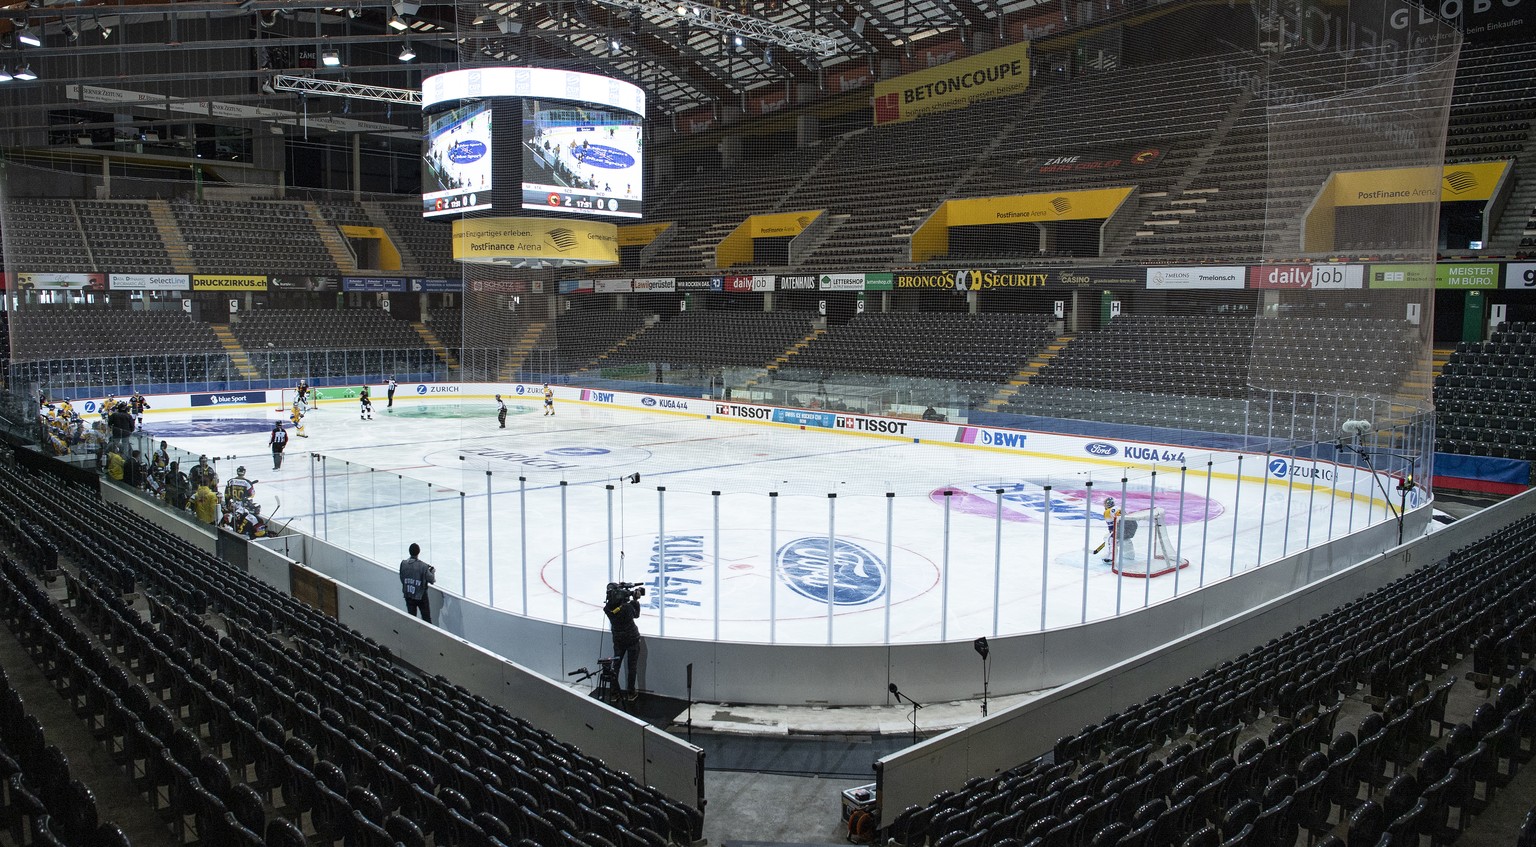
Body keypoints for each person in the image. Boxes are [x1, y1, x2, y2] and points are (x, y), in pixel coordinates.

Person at [603, 582, 644, 701]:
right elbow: (636, 615)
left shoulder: (607, 609)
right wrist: (635, 600)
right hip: (632, 639)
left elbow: (615, 607)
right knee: (632, 667)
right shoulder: (627, 607)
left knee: (616, 666)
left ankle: (614, 693)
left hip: (618, 640)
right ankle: (631, 692)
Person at [399, 543, 436, 623]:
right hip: (421, 596)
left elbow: (402, 578)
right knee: (426, 619)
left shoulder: (403, 564)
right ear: (418, 552)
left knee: (412, 619)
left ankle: (412, 634)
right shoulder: (423, 566)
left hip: (408, 594)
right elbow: (432, 580)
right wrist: (432, 572)